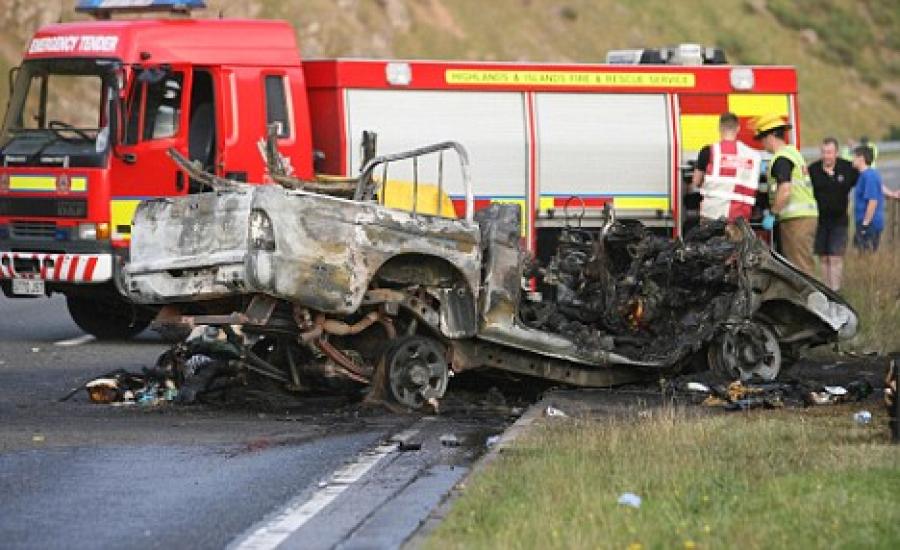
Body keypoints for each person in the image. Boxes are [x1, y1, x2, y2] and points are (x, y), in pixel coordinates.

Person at [751, 114, 819, 276]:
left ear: (771, 136)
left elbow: (785, 189)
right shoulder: (792, 153)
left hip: (796, 219)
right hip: (803, 217)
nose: (762, 144)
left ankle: (807, 300)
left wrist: (773, 213)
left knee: (799, 267)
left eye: (762, 138)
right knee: (800, 263)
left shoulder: (781, 159)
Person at [691, 112, 761, 222]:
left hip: (712, 213)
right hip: (740, 217)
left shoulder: (709, 151)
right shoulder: (753, 155)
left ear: (719, 128)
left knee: (711, 240)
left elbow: (696, 181)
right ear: (738, 128)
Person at [809, 137, 858, 291]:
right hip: (820, 220)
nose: (826, 156)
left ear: (836, 153)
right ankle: (826, 289)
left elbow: (866, 176)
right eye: (823, 152)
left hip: (840, 220)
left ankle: (836, 290)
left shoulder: (847, 167)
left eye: (829, 152)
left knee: (835, 257)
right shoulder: (813, 169)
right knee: (823, 257)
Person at [852, 145, 886, 252]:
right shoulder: (863, 175)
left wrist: (865, 225)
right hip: (864, 222)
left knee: (867, 253)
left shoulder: (869, 176)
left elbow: (872, 201)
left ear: (861, 158)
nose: (852, 160)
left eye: (854, 157)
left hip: (870, 224)